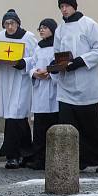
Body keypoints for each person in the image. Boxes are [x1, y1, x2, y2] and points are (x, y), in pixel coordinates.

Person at [53, 0, 98, 172]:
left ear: (74, 6)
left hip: (87, 86)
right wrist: (55, 65)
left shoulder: (89, 25)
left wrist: (79, 62)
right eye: (61, 7)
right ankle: (78, 160)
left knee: (92, 126)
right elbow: (57, 52)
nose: (64, 10)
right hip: (66, 87)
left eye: (66, 6)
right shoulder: (60, 29)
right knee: (69, 126)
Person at [0, 9, 37, 169]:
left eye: (12, 23)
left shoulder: (28, 37)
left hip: (20, 81)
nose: (9, 27)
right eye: (6, 24)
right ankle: (27, 153)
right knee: (17, 118)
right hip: (6, 79)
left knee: (15, 115)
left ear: (18, 23)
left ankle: (12, 155)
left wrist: (24, 62)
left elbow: (36, 58)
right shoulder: (0, 36)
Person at [25, 18, 60, 170]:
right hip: (40, 91)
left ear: (52, 29)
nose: (41, 30)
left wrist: (50, 72)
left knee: (53, 127)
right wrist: (34, 74)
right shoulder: (38, 47)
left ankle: (54, 160)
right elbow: (31, 65)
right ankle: (39, 159)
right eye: (40, 28)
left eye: (45, 27)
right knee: (39, 131)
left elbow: (59, 64)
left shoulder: (57, 46)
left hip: (53, 91)